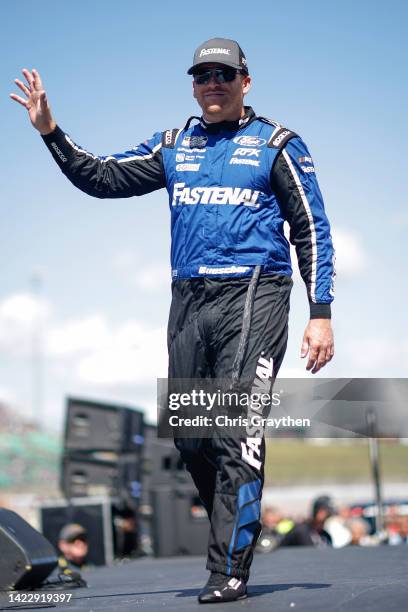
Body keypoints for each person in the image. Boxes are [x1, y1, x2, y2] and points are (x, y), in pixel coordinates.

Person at [11, 37, 335, 603]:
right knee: (189, 440)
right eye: (203, 75)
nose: (214, 83)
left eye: (225, 75)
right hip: (188, 301)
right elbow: (103, 177)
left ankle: (228, 568)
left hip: (255, 296)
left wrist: (322, 313)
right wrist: (51, 133)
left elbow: (312, 228)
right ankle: (235, 527)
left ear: (246, 82)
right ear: (193, 85)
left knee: (236, 429)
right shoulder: (173, 144)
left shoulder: (277, 144)